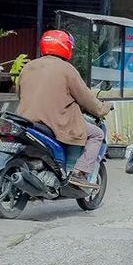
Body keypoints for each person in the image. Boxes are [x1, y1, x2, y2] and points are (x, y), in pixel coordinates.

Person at [16, 30, 111, 189]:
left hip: (27, 121)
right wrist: (103, 108)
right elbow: (86, 98)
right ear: (66, 47)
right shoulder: (67, 69)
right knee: (96, 133)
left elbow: (19, 93)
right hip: (55, 122)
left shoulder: (29, 66)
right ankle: (79, 173)